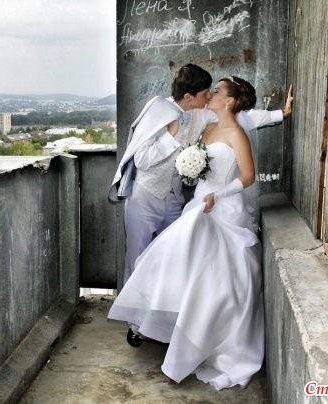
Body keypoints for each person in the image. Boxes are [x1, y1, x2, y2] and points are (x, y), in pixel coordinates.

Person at [108, 76, 266, 390]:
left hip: (222, 206)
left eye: (217, 91)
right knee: (167, 261)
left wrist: (218, 195)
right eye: (210, 90)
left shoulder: (236, 133)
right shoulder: (207, 126)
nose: (212, 94)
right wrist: (190, 169)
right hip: (197, 203)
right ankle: (153, 324)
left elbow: (248, 176)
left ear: (230, 101)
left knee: (208, 275)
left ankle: (203, 336)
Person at [109, 63, 292, 286]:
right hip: (145, 195)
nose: (209, 97)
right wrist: (171, 135)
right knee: (137, 255)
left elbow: (240, 117)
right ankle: (132, 307)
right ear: (189, 96)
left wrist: (280, 113)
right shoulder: (157, 110)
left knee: (178, 255)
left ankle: (169, 301)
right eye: (206, 93)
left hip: (174, 197)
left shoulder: (203, 113)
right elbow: (142, 160)